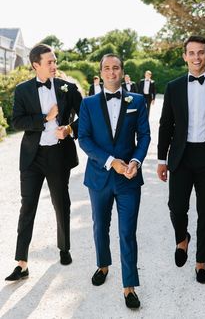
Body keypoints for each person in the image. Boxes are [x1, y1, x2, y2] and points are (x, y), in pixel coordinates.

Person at [157, 36, 205, 284]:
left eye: (200, 52)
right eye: (191, 53)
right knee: (176, 207)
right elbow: (165, 125)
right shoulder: (174, 86)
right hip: (180, 155)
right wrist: (162, 159)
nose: (196, 57)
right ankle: (182, 238)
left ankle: (201, 263)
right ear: (184, 56)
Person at [5, 44, 82, 281]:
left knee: (61, 203)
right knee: (27, 207)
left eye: (55, 61)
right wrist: (44, 118)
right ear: (35, 65)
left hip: (58, 155)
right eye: (49, 62)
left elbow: (88, 116)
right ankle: (22, 263)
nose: (54, 65)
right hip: (32, 157)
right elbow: (17, 122)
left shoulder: (67, 87)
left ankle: (64, 248)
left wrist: (69, 129)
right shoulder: (23, 90)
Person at [78, 53, 150, 309]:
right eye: (106, 68)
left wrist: (135, 162)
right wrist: (111, 161)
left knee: (127, 232)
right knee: (100, 227)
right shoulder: (87, 104)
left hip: (129, 178)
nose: (111, 72)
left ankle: (129, 286)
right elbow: (84, 139)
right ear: (101, 72)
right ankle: (103, 265)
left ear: (122, 71)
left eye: (116, 68)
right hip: (99, 177)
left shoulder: (137, 101)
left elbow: (144, 136)